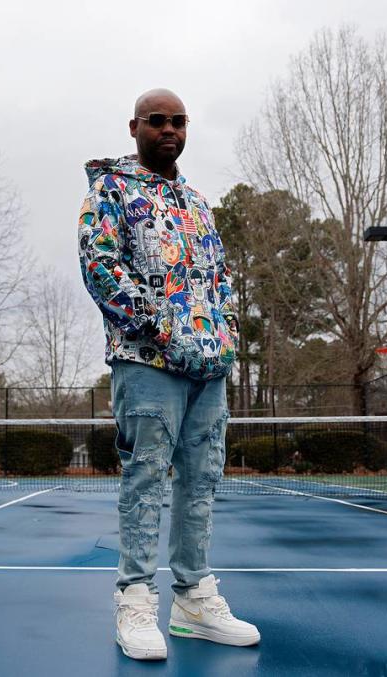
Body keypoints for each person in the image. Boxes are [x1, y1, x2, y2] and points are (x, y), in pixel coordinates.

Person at [77, 88, 261, 661]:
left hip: (209, 367)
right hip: (146, 361)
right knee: (146, 478)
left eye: (178, 121)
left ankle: (193, 599)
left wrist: (224, 336)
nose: (169, 129)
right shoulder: (109, 192)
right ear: (134, 127)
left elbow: (221, 276)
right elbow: (100, 268)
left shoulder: (197, 203)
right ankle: (134, 598)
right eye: (157, 120)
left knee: (202, 477)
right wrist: (164, 330)